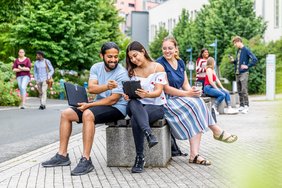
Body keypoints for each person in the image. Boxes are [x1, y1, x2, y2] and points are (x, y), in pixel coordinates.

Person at [41, 42, 129, 176]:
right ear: (102, 56)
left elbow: (113, 99)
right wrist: (106, 87)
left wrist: (89, 105)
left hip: (117, 108)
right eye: (110, 56)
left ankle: (86, 159)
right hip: (99, 104)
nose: (113, 60)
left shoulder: (122, 73)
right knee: (66, 114)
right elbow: (92, 88)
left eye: (116, 57)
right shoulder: (96, 67)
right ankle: (62, 155)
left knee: (88, 114)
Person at [156, 36, 237, 166]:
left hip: (180, 97)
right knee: (195, 106)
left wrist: (193, 91)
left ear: (176, 49)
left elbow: (185, 83)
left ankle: (195, 154)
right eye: (164, 48)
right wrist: (187, 93)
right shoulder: (159, 64)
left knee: (198, 101)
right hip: (167, 100)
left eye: (170, 48)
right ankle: (216, 131)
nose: (167, 51)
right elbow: (165, 88)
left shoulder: (180, 62)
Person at [125, 41, 167, 173]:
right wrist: (127, 95)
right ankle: (149, 134)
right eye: (131, 58)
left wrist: (146, 94)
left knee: (135, 120)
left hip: (156, 106)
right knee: (132, 102)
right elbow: (131, 93)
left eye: (135, 55)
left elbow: (158, 92)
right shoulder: (132, 71)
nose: (133, 59)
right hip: (137, 104)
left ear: (143, 51)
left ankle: (139, 157)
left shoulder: (158, 68)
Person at [230, 36, 258, 114]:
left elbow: (255, 59)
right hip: (237, 73)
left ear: (239, 41)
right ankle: (241, 105)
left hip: (244, 73)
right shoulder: (238, 51)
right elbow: (238, 62)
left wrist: (248, 66)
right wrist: (233, 61)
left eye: (235, 43)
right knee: (239, 90)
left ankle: (246, 106)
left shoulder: (246, 50)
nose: (234, 45)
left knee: (244, 90)